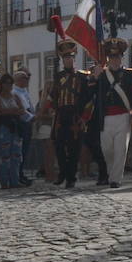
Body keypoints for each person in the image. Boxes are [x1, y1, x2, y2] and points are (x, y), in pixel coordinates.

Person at [95, 37, 132, 189]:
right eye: (112, 57)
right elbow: (91, 95)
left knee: (121, 149)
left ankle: (115, 179)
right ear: (108, 58)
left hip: (123, 117)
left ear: (121, 57)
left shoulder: (130, 75)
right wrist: (93, 78)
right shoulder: (101, 76)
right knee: (107, 149)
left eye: (117, 57)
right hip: (106, 118)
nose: (114, 60)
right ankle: (112, 172)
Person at [48, 39, 91, 189]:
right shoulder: (58, 77)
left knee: (74, 148)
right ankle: (63, 173)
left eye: (70, 57)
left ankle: (71, 177)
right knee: (59, 147)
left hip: (75, 115)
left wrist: (84, 117)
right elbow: (53, 96)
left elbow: (88, 98)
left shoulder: (82, 76)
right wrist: (51, 107)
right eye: (65, 58)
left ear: (74, 58)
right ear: (62, 59)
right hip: (61, 115)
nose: (68, 60)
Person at [0, 74, 25, 189]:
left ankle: (15, 180)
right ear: (1, 84)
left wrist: (11, 111)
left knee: (16, 154)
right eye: (6, 83)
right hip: (4, 127)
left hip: (16, 127)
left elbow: (22, 110)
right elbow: (1, 111)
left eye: (11, 83)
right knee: (4, 155)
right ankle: (4, 181)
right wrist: (14, 111)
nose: (9, 85)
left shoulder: (15, 97)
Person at [11, 69, 35, 186]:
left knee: (25, 151)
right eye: (25, 78)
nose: (27, 80)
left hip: (28, 122)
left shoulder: (24, 91)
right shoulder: (15, 92)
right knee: (20, 151)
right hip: (22, 123)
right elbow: (22, 111)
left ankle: (21, 173)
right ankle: (18, 174)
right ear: (18, 80)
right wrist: (32, 118)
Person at [35, 80, 56, 184]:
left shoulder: (46, 100)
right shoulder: (45, 101)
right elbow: (40, 114)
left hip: (47, 128)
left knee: (49, 154)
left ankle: (50, 175)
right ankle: (50, 175)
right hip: (47, 127)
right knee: (49, 154)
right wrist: (52, 116)